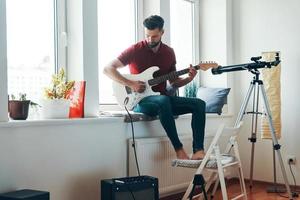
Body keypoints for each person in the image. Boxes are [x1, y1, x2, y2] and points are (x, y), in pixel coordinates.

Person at [104, 15, 210, 160]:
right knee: (163, 100)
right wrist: (131, 84)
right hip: (140, 102)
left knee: (199, 104)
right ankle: (178, 149)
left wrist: (189, 78)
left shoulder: (169, 52)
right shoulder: (135, 50)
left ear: (162, 32)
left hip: (161, 100)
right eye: (147, 35)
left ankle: (198, 150)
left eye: (154, 36)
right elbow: (108, 69)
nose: (149, 40)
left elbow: (173, 83)